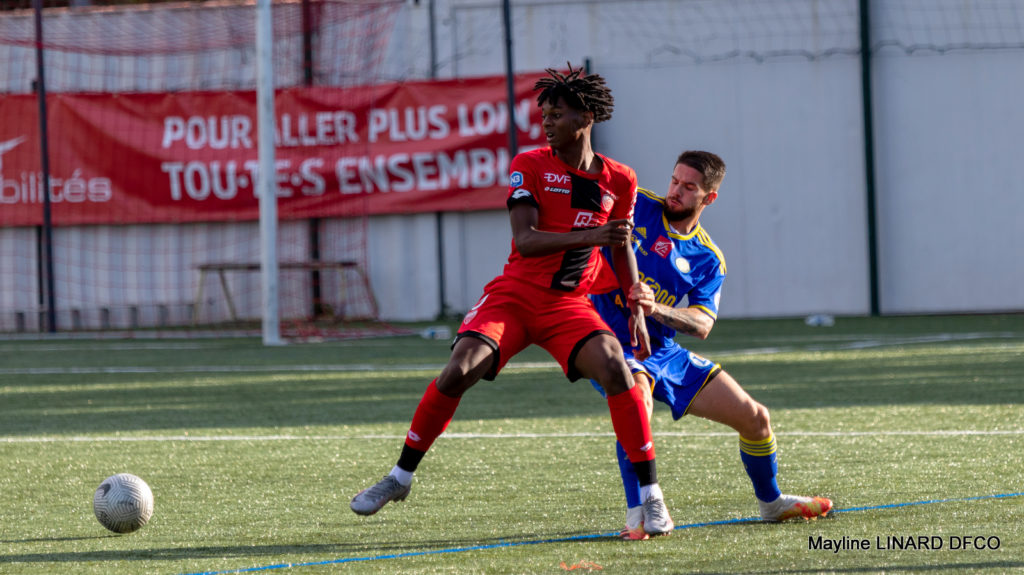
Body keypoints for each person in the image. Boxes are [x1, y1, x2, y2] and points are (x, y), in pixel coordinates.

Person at [350, 65, 675, 537]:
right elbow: (525, 241)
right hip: (516, 295)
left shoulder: (620, 179)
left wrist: (633, 301)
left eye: (557, 114)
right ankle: (400, 477)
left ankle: (652, 497)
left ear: (585, 117)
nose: (546, 122)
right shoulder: (531, 163)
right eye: (544, 113)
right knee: (460, 369)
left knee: (616, 368)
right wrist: (595, 234)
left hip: (569, 304)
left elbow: (620, 240)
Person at [589, 150, 832, 540]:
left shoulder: (708, 257)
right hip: (608, 340)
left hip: (662, 350)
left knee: (756, 418)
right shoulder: (637, 206)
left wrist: (658, 312)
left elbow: (702, 322)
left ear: (709, 197)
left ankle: (770, 503)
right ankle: (638, 513)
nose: (675, 192)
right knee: (637, 401)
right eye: (674, 181)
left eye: (688, 187)